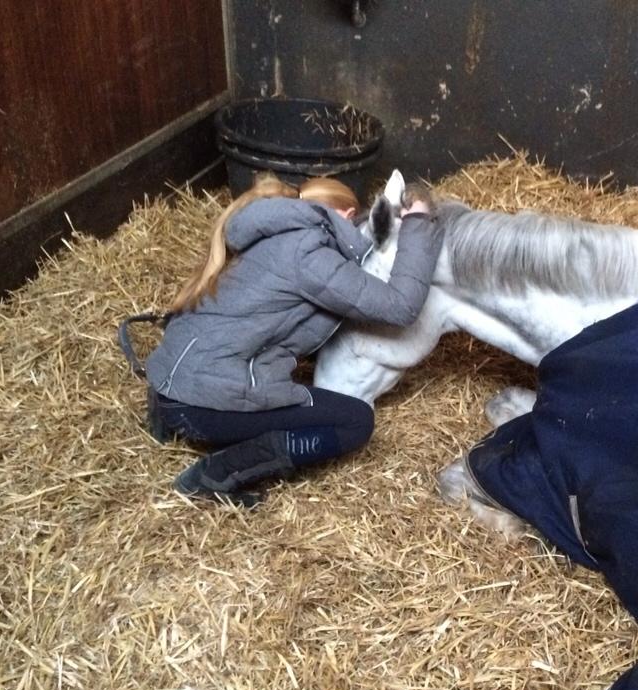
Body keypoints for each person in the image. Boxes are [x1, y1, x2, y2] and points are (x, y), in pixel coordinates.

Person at [143, 173, 442, 507]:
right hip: (199, 408)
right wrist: (419, 222)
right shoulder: (311, 255)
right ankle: (214, 475)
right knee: (355, 420)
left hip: (168, 389)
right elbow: (400, 306)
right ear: (343, 214)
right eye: (354, 218)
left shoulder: (271, 236)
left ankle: (175, 423)